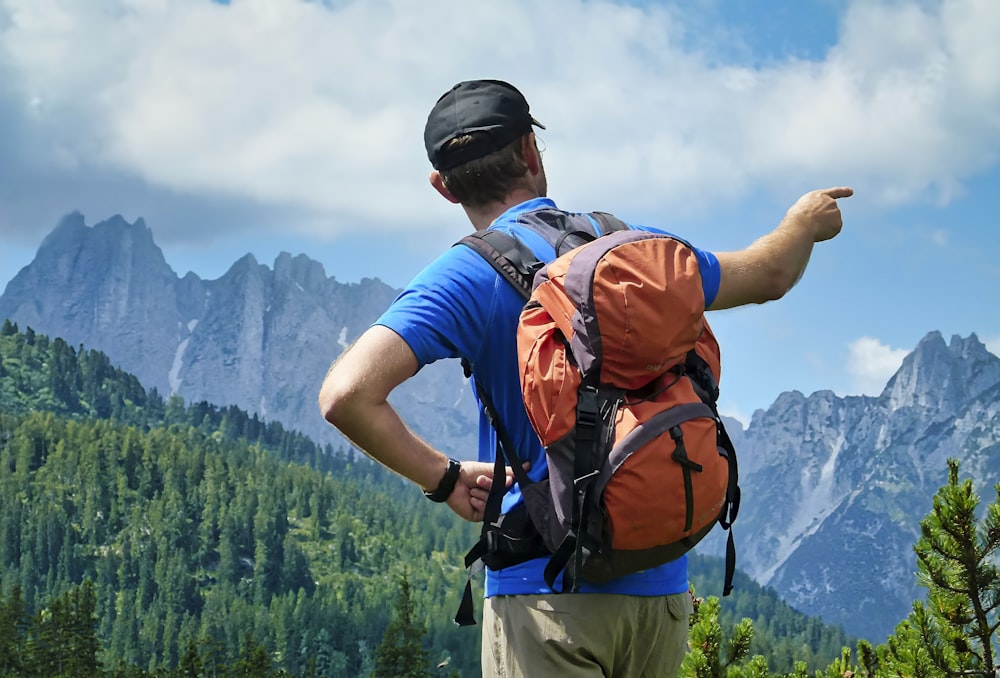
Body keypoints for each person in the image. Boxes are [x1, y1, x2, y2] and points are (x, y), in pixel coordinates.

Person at [319, 78, 852, 677]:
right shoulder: (636, 252)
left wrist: (442, 479)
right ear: (530, 152)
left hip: (544, 597)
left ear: (443, 188)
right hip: (659, 596)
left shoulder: (462, 276)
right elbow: (770, 274)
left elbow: (346, 396)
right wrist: (804, 220)